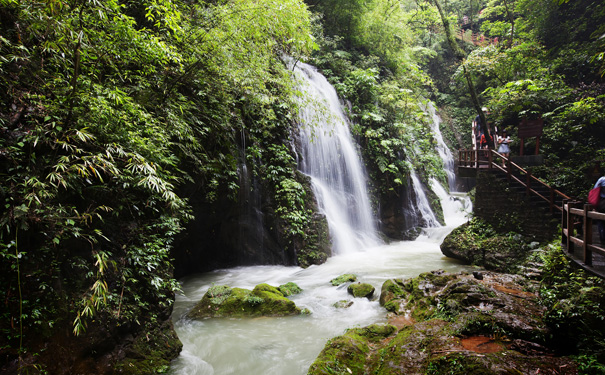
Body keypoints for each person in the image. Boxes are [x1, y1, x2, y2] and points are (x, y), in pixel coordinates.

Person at [595, 175, 605, 244]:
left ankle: (603, 239)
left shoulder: (601, 179)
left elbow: (595, 190)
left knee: (600, 221)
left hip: (602, 203)